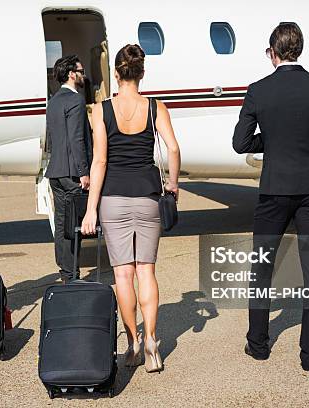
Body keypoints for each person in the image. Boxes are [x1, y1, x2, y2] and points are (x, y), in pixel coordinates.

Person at [232, 23, 309, 371]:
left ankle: (258, 345)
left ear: (273, 53)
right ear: (300, 50)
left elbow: (241, 143)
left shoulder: (258, 90)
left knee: (262, 269)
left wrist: (273, 141)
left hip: (274, 191)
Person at [81, 44, 181, 373]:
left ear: (116, 73)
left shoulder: (101, 110)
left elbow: (100, 161)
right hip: (149, 195)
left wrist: (91, 209)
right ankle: (153, 341)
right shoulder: (155, 108)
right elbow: (173, 149)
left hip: (113, 199)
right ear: (142, 73)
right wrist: (172, 186)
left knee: (123, 274)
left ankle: (133, 342)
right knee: (146, 271)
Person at [44, 55, 93, 284]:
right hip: (73, 173)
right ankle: (72, 276)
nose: (83, 75)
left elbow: (51, 138)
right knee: (75, 226)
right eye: (80, 70)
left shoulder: (53, 101)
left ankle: (65, 273)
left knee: (62, 224)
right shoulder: (76, 101)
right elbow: (77, 139)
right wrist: (84, 171)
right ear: (72, 74)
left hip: (56, 171)